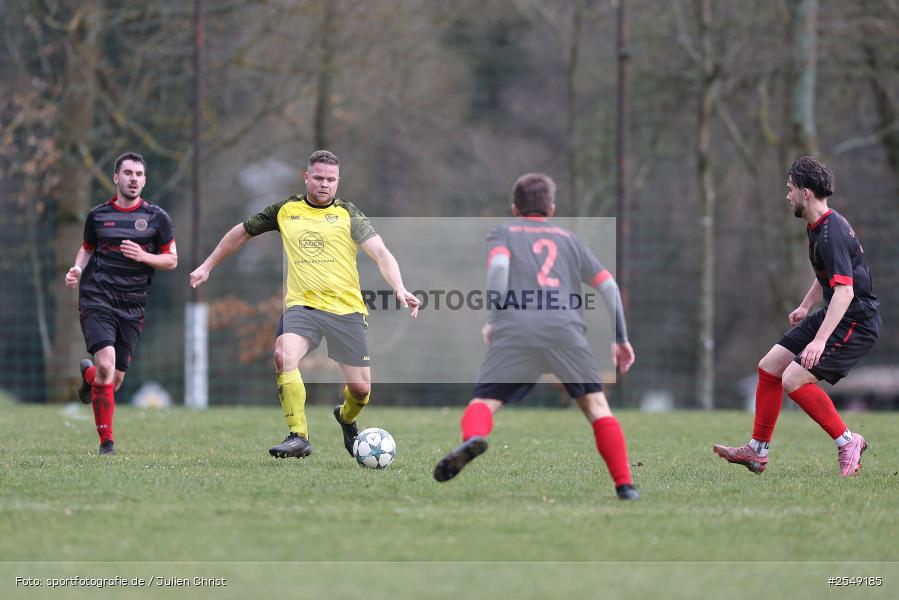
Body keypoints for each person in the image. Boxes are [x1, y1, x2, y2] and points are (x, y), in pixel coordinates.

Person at [189, 150, 419, 459]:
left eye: (331, 180)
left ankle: (346, 417)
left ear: (338, 181)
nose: (325, 184)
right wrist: (207, 265)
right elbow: (241, 233)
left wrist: (400, 287)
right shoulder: (286, 210)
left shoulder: (348, 214)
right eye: (319, 178)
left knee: (362, 391)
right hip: (302, 307)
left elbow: (381, 252)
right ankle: (298, 435)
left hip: (345, 310)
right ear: (306, 177)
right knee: (283, 355)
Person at [433, 173, 639, 500]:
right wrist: (620, 338)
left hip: (516, 329)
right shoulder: (569, 240)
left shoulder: (503, 233)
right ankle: (625, 485)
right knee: (597, 407)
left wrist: (493, 318)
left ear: (515, 208)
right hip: (564, 331)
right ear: (552, 208)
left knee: (484, 402)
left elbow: (499, 269)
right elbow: (609, 286)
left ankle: (472, 440)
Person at [714, 156, 880, 477]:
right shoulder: (818, 227)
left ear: (806, 192)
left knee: (793, 379)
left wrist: (819, 341)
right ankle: (757, 452)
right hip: (834, 312)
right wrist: (806, 305)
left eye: (789, 189)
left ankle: (848, 441)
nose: (786, 195)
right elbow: (827, 276)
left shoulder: (831, 234)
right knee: (769, 367)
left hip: (855, 320)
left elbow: (845, 292)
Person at [66, 152, 178, 455]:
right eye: (128, 173)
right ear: (116, 178)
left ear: (145, 179)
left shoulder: (158, 218)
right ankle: (107, 443)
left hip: (132, 304)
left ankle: (89, 377)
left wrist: (143, 256)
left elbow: (171, 259)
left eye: (139, 174)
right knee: (106, 363)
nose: (134, 179)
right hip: (97, 297)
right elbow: (86, 248)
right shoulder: (98, 215)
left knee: (111, 380)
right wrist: (77, 269)